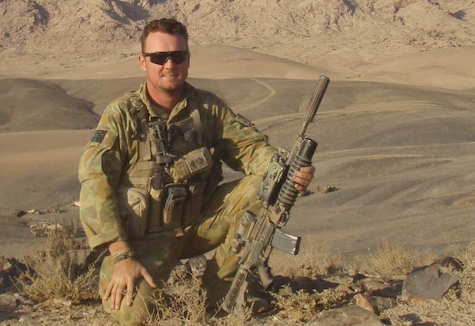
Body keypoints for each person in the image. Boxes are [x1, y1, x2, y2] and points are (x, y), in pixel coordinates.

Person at [78, 18, 315, 324]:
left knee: (267, 185)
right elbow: (96, 183)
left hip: (199, 225)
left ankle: (220, 288)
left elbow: (250, 148)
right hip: (145, 240)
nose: (169, 65)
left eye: (178, 56)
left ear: (188, 59)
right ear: (143, 62)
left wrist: (287, 171)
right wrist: (121, 254)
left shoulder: (207, 109)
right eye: (159, 57)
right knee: (132, 315)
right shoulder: (123, 115)